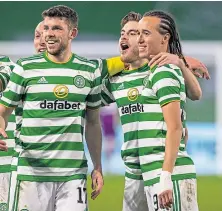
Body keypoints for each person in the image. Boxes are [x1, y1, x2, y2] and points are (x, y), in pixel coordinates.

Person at [0, 5, 103, 211]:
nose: (49, 34)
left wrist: (97, 167)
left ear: (73, 33)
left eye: (56, 28)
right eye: (46, 28)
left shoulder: (90, 71)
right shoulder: (25, 67)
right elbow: (3, 111)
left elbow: (92, 122)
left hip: (73, 174)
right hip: (31, 174)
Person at [102, 11, 203, 211]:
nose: (128, 37)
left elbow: (194, 95)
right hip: (135, 170)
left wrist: (180, 62)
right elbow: (86, 98)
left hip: (160, 166)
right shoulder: (116, 79)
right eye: (126, 33)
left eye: (136, 33)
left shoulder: (160, 69)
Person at [137, 10, 199, 210]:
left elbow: (174, 128)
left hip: (168, 176)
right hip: (158, 173)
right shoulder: (157, 71)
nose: (139, 39)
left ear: (165, 38)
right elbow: (195, 94)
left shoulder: (163, 72)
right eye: (138, 33)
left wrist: (165, 178)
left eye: (146, 33)